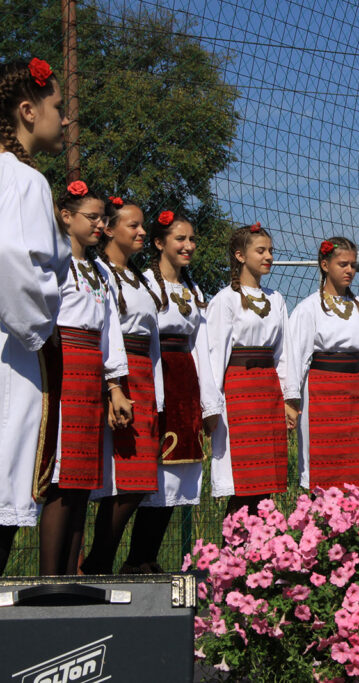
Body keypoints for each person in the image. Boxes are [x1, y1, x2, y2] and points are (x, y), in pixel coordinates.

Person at [0, 58, 71, 573]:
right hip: (14, 350)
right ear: (28, 110)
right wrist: (41, 328)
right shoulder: (24, 180)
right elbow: (10, 258)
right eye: (57, 106)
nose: (64, 119)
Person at [122, 211, 222, 573]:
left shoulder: (193, 290)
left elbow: (201, 347)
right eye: (180, 239)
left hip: (184, 382)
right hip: (154, 375)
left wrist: (209, 403)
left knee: (175, 477)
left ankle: (145, 558)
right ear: (159, 242)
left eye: (192, 239)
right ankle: (131, 557)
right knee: (149, 473)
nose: (188, 246)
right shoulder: (144, 284)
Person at [39, 184, 129, 575]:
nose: (99, 224)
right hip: (63, 366)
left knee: (81, 478)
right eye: (91, 217)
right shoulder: (53, 262)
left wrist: (115, 386)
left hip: (92, 372)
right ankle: (48, 578)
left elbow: (110, 331)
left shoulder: (99, 271)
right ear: (66, 216)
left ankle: (69, 576)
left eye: (102, 218)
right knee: (61, 479)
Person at [81, 198, 165, 574]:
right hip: (119, 376)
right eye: (133, 225)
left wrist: (158, 391)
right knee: (124, 480)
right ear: (110, 230)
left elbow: (153, 338)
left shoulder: (139, 278)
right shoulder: (99, 272)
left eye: (143, 225)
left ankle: (100, 562)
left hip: (143, 376)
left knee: (140, 479)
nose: (142, 232)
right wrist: (110, 385)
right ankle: (96, 563)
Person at [287, 237, 359, 491]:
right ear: (325, 265)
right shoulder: (308, 308)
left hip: (356, 394)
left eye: (353, 265)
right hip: (322, 394)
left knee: (357, 466)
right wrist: (291, 401)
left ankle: (355, 516)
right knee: (324, 467)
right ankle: (319, 514)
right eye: (343, 264)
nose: (349, 270)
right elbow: (295, 358)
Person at [207, 223, 299, 517]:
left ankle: (258, 544)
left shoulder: (276, 299)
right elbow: (215, 355)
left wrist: (288, 398)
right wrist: (212, 406)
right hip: (239, 393)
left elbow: (284, 353)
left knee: (264, 482)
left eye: (271, 250)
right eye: (261, 250)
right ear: (240, 255)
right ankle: (230, 543)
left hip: (268, 392)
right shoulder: (225, 299)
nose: (269, 256)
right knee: (243, 482)